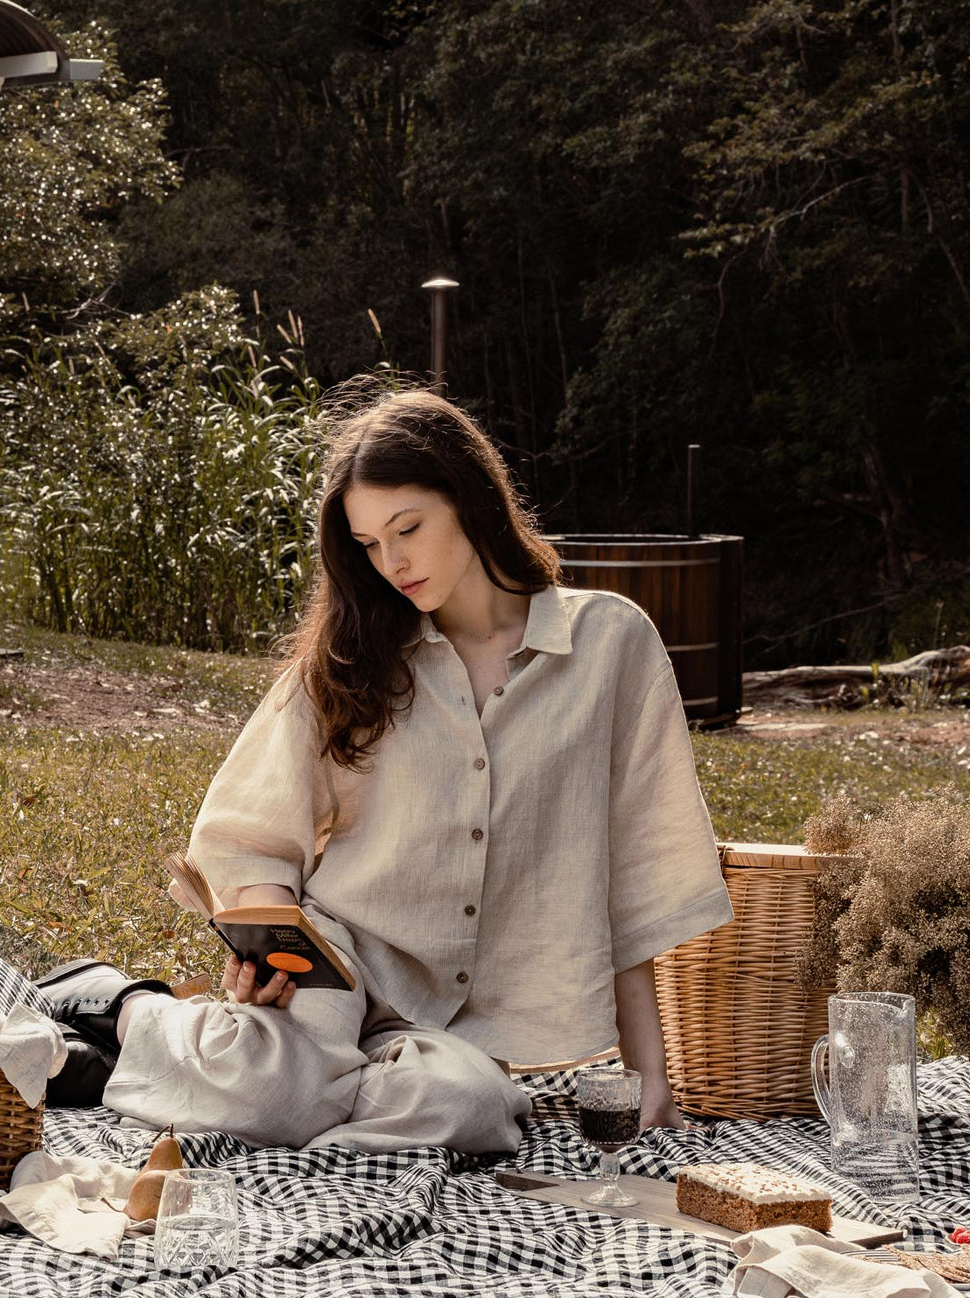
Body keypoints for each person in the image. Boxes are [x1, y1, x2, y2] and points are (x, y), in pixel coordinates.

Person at [40, 385, 732, 1152]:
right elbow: (252, 833)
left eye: (408, 529)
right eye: (369, 544)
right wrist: (268, 952)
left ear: (472, 501)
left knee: (469, 1107)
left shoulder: (611, 645)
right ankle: (128, 1006)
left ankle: (210, 1074)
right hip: (340, 965)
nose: (392, 563)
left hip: (461, 1026)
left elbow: (635, 883)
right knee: (296, 1085)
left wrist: (651, 1079)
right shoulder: (353, 654)